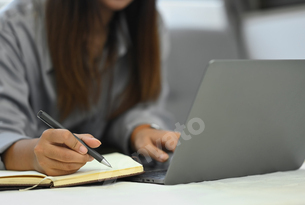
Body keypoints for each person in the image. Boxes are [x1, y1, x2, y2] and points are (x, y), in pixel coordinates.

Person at [0, 0, 180, 176]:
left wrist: (140, 130)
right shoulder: (13, 26)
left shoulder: (149, 24)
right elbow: (4, 132)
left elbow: (137, 106)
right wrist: (34, 156)